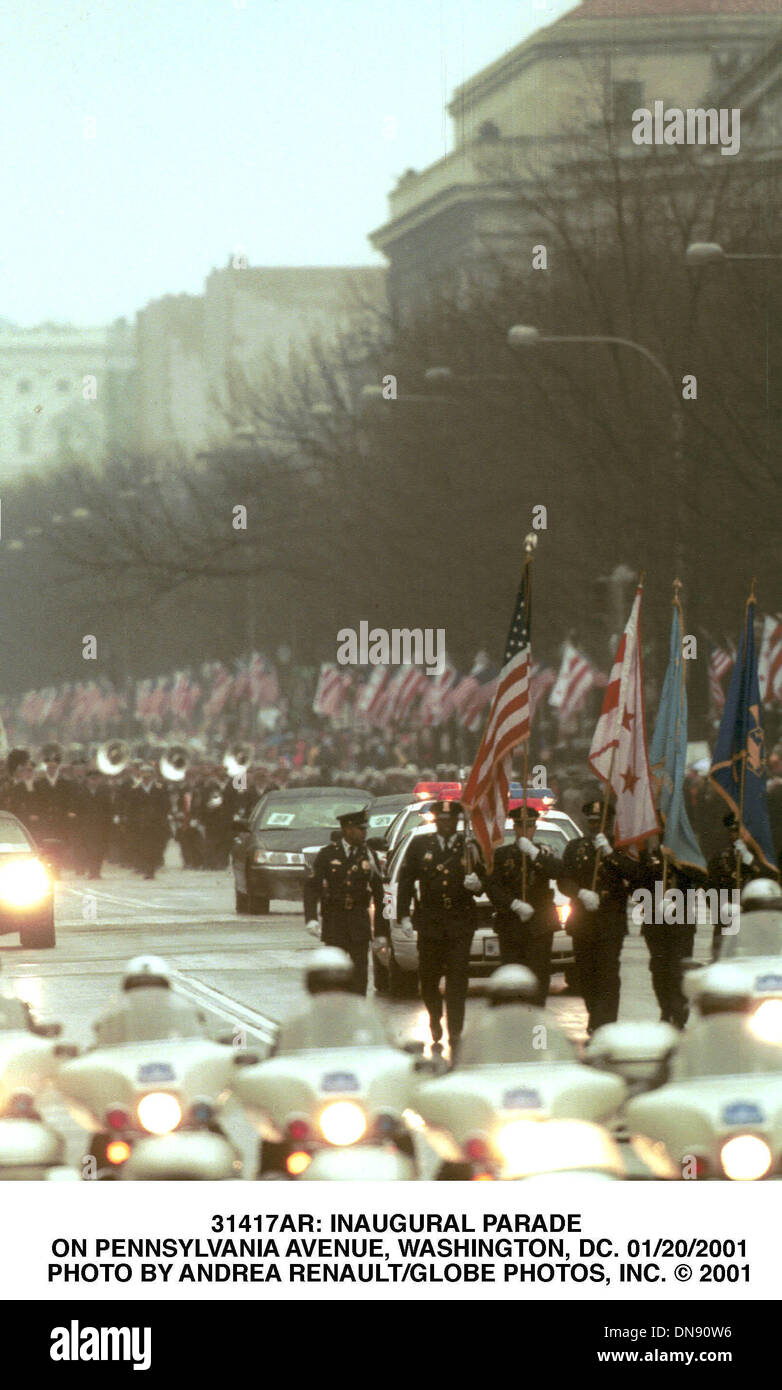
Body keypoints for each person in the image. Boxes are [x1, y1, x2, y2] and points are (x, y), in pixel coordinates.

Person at [396, 798, 485, 1054]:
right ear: (436, 822)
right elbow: (406, 880)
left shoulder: (469, 847)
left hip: (459, 921)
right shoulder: (421, 845)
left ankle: (455, 1029)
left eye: (451, 821)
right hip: (431, 922)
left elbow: (485, 878)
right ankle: (435, 1017)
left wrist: (477, 884)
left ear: (457, 822)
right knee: (429, 978)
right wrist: (403, 915)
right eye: (442, 821)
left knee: (458, 980)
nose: (447, 825)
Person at [558, 798, 642, 1035]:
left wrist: (610, 853)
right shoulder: (575, 847)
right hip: (582, 922)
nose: (596, 826)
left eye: (601, 822)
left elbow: (635, 875)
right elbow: (564, 880)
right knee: (586, 975)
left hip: (610, 922)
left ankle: (605, 1025)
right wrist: (580, 893)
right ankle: (595, 1014)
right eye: (593, 822)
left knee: (607, 974)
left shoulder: (621, 849)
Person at [485, 804, 563, 1005]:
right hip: (511, 924)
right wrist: (514, 904)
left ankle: (536, 1014)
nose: (525, 830)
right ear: (515, 827)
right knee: (512, 974)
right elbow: (493, 887)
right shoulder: (502, 855)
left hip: (540, 925)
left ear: (535, 827)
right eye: (521, 826)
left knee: (539, 973)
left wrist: (534, 854)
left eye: (529, 825)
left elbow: (558, 871)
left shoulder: (545, 851)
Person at [303, 808, 384, 996]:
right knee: (333, 973)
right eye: (360, 829)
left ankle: (356, 1013)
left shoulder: (369, 855)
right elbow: (312, 887)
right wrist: (311, 918)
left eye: (365, 829)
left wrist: (381, 932)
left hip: (358, 920)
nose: (364, 833)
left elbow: (380, 895)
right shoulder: (328, 854)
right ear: (348, 830)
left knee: (359, 975)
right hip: (334, 920)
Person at [92, 955, 207, 1045]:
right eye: (137, 987)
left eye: (155, 986)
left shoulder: (181, 1013)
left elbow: (198, 1046)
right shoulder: (115, 1018)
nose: (146, 992)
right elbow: (102, 1051)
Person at [707, 811, 768, 959]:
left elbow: (770, 879)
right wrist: (722, 906)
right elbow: (709, 890)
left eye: (741, 832)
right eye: (734, 832)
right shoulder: (720, 859)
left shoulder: (763, 860)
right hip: (727, 922)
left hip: (753, 923)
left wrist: (750, 860)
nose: (737, 836)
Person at [126, 764, 170, 879]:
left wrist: (163, 819)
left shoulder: (160, 788)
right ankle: (146, 869)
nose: (146, 778)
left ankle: (151, 869)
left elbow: (166, 805)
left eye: (148, 776)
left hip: (156, 823)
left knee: (155, 847)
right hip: (140, 824)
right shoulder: (134, 789)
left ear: (152, 776)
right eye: (143, 776)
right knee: (142, 847)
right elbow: (130, 808)